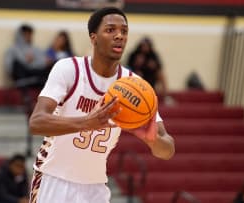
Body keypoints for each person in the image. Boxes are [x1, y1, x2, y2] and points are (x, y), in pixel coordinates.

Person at [28, 7, 175, 203]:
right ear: (93, 37)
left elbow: (167, 150)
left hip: (95, 187)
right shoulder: (69, 69)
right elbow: (36, 123)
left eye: (124, 31)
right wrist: (86, 122)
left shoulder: (135, 86)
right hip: (54, 179)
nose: (119, 36)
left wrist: (151, 139)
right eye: (110, 30)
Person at [4, 24, 49, 89]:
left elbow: (44, 62)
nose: (29, 36)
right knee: (16, 64)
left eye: (30, 34)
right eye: (26, 34)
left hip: (34, 73)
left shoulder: (36, 49)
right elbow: (9, 67)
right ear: (20, 35)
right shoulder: (12, 49)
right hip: (21, 74)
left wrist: (31, 63)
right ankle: (25, 81)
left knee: (50, 67)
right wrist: (25, 61)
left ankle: (31, 81)